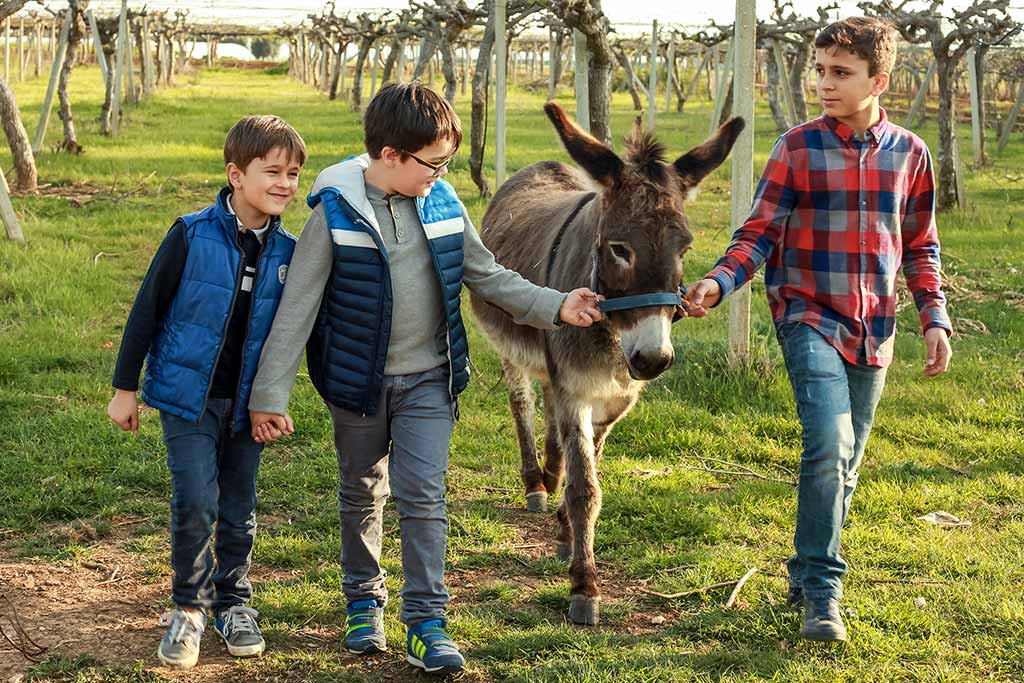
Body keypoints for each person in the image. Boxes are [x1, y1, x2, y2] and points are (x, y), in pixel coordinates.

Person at [248, 82, 602, 674]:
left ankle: (426, 621)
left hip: (429, 381)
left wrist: (557, 305)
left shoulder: (442, 205)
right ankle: (364, 601)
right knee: (362, 492)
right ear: (390, 157)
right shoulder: (333, 214)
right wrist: (269, 395)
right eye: (432, 163)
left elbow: (489, 276)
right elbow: (297, 308)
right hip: (356, 385)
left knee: (423, 497)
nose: (441, 173)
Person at [683, 17, 952, 642]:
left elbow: (920, 245)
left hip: (876, 323)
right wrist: (720, 282)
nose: (824, 83)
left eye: (841, 73)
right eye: (821, 70)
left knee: (846, 460)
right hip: (808, 313)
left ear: (877, 80)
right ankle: (825, 592)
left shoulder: (911, 154)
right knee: (830, 442)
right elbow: (759, 234)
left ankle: (804, 571)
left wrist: (933, 315)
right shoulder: (797, 148)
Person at [107, 115, 306, 668]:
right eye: (273, 171)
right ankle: (188, 608)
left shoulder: (290, 252)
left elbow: (295, 335)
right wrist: (125, 388)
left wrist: (276, 400)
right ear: (235, 175)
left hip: (248, 407)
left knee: (239, 506)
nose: (286, 184)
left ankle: (233, 601)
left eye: (293, 173)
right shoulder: (190, 233)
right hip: (186, 398)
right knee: (197, 500)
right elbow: (145, 311)